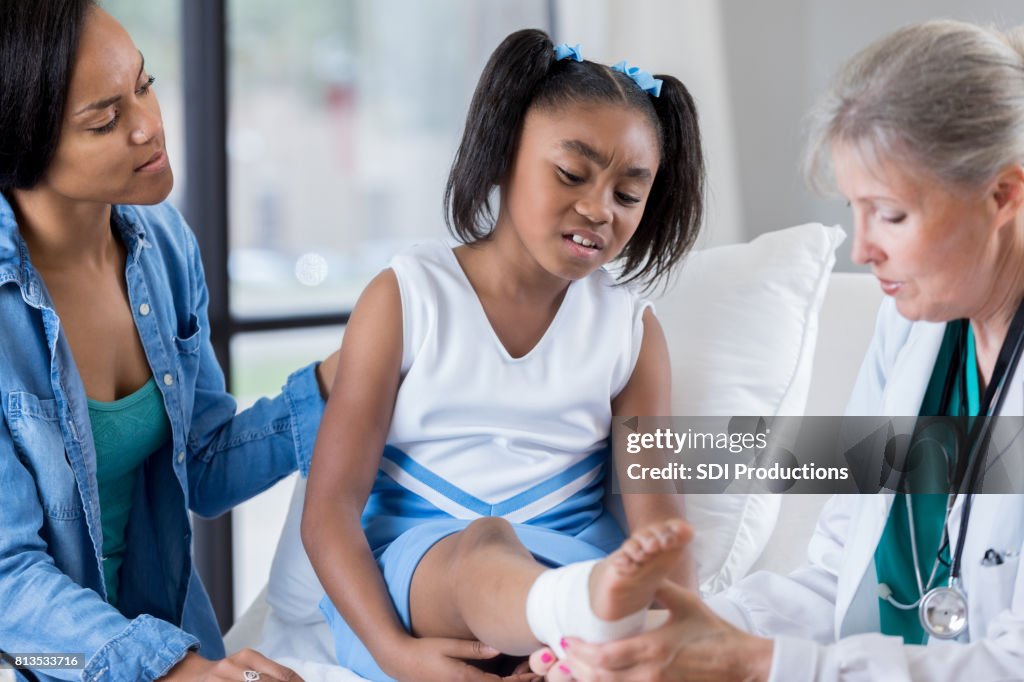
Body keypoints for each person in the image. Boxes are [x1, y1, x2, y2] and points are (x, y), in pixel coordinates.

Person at [530, 18, 1024, 682]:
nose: (862, 249)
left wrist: (760, 665)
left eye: (890, 214)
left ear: (1004, 193)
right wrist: (676, 635)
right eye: (854, 209)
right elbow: (837, 577)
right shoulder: (913, 329)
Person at [301, 29, 705, 682]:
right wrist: (394, 653)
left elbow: (658, 520)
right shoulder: (408, 296)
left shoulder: (631, 331)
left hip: (574, 560)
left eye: (629, 195)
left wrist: (683, 634)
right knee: (486, 543)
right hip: (426, 573)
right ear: (503, 154)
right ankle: (577, 622)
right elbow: (329, 514)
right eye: (572, 174)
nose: (599, 208)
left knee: (608, 582)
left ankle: (571, 641)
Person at [0, 2, 337, 680]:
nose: (151, 127)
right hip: (39, 655)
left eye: (145, 86)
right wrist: (167, 669)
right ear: (21, 145)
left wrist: (337, 384)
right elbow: (8, 579)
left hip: (172, 645)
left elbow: (205, 466)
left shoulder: (162, 245)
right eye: (105, 120)